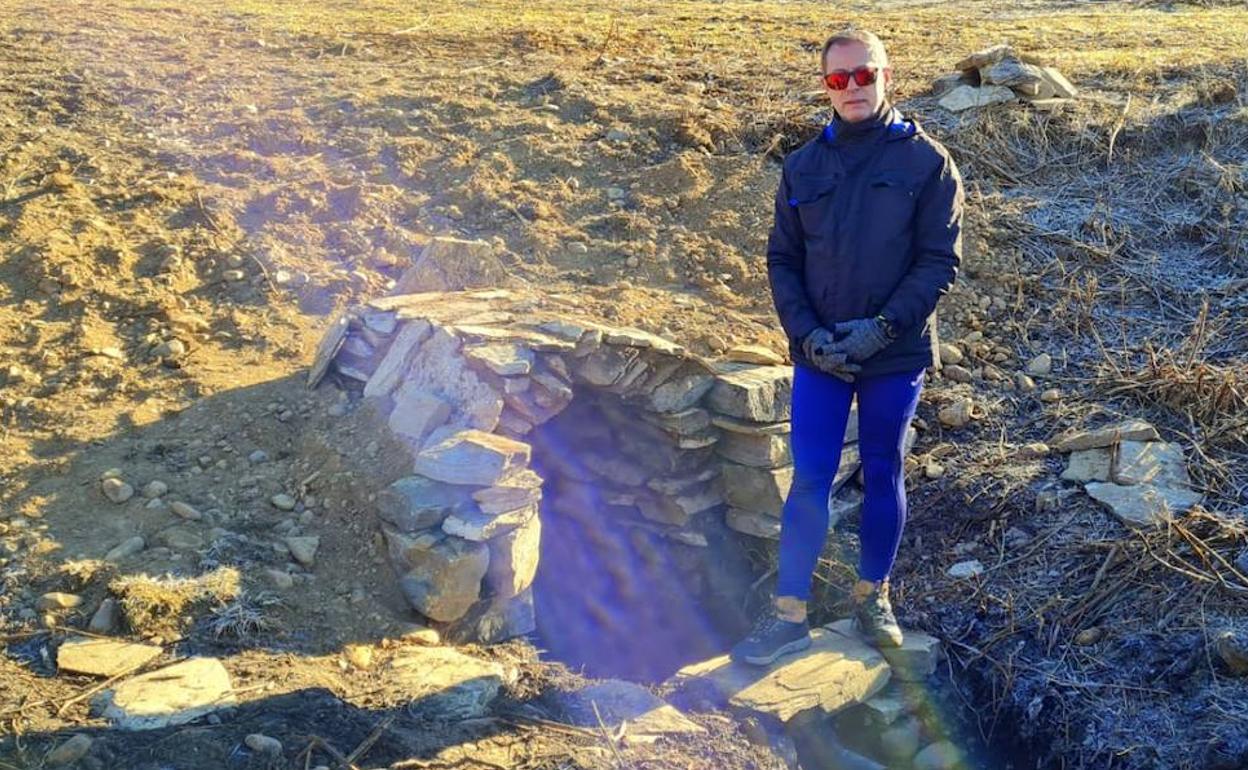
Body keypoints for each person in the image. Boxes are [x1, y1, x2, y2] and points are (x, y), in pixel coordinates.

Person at [730, 27, 963, 665]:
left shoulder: (927, 163)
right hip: (821, 355)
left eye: (864, 75)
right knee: (809, 478)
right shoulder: (803, 165)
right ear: (826, 85)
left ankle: (872, 598)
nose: (853, 88)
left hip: (894, 353)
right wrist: (806, 336)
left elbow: (939, 262)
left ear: (888, 75)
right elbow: (782, 259)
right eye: (839, 79)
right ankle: (787, 617)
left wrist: (882, 328)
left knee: (883, 469)